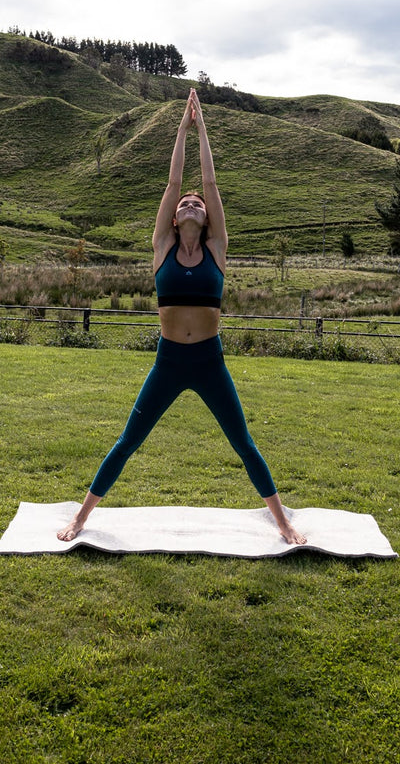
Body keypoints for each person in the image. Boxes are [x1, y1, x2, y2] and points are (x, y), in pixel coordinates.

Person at [57, 89, 306, 545]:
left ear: (207, 216)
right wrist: (180, 131)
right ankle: (80, 517)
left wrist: (204, 129)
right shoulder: (162, 250)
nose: (191, 201)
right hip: (169, 362)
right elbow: (173, 184)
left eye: (198, 203)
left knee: (242, 443)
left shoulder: (216, 250)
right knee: (128, 441)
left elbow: (209, 184)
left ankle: (284, 522)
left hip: (209, 362)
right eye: (183, 203)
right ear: (173, 219)